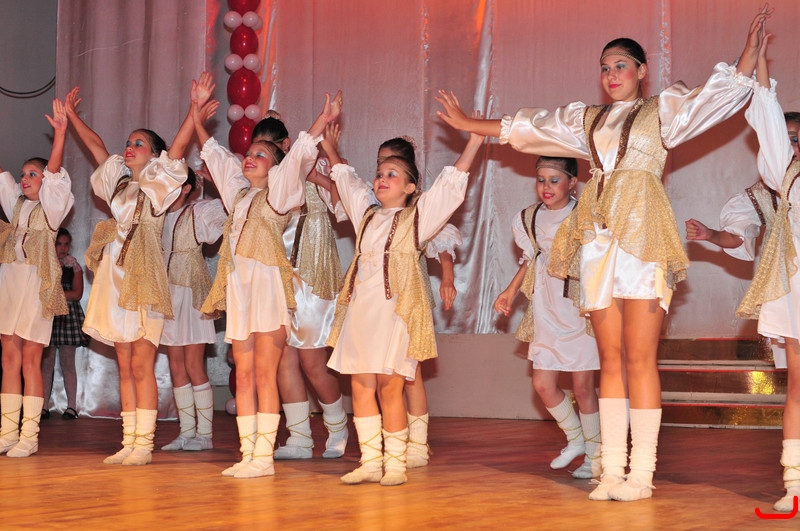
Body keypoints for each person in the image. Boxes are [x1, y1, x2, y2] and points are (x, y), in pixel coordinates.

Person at [436, 9, 769, 501]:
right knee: (609, 358)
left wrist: (746, 56)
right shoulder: (587, 121)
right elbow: (532, 127)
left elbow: (713, 98)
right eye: (605, 68)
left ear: (641, 71)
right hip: (599, 242)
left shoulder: (662, 110)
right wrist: (470, 124)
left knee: (640, 358)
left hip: (644, 240)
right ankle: (611, 469)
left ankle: (642, 474)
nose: (611, 75)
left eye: (621, 66)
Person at [322, 112, 483, 486]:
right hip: (361, 313)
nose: (381, 178)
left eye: (392, 174)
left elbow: (450, 187)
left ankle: (395, 463)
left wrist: (474, 142)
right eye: (380, 173)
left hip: (396, 314)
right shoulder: (365, 216)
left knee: (390, 386)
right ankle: (370, 461)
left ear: (410, 187)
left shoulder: (419, 219)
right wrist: (330, 149)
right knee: (361, 386)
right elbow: (347, 182)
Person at [195, 78, 342, 478]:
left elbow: (297, 159)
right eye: (249, 152)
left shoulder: (278, 197)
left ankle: (264, 456)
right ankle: (249, 453)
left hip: (271, 293)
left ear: (275, 167)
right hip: (241, 295)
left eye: (261, 154)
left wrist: (321, 120)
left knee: (267, 373)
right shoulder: (238, 196)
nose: (250, 157)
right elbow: (216, 158)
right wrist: (197, 118)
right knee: (243, 374)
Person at [65, 77, 202, 465]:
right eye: (128, 142)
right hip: (114, 279)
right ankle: (129, 441)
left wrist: (194, 111)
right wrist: (72, 116)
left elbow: (177, 150)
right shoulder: (119, 185)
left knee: (142, 363)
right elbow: (97, 148)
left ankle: (144, 443)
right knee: (125, 363)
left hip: (144, 277)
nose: (129, 147)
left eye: (139, 143)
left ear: (154, 156)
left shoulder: (158, 185)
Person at [250, 114, 349, 461]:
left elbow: (344, 205)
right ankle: (299, 437)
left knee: (312, 360)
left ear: (287, 145)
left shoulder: (314, 164)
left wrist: (317, 176)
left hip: (313, 274)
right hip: (277, 276)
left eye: (272, 146)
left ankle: (338, 427)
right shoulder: (266, 179)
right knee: (283, 360)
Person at [494, 156, 600, 479]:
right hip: (546, 307)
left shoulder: (586, 214)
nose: (546, 187)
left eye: (555, 180)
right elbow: (532, 258)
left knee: (583, 388)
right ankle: (576, 438)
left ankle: (595, 455)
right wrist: (510, 291)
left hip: (578, 307)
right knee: (542, 383)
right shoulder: (529, 218)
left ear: (572, 183)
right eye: (541, 180)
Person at [735, 29, 800, 513]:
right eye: (792, 139)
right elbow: (769, 119)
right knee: (798, 385)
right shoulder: (785, 177)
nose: (795, 145)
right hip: (796, 287)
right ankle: (794, 483)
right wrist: (758, 60)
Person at [375, 136, 462, 469]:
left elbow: (442, 243)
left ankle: (417, 444)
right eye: (379, 164)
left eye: (391, 164)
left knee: (411, 372)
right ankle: (391, 438)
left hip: (411, 291)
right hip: (378, 296)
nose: (383, 172)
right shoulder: (377, 206)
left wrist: (448, 279)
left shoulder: (422, 206)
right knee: (383, 370)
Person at [0, 98, 74, 457]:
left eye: (33, 174)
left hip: (37, 284)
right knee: (8, 358)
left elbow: (55, 173)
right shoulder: (15, 204)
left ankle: (29, 436)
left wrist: (60, 134)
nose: (25, 178)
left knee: (31, 359)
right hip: (10, 283)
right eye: (23, 174)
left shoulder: (53, 207)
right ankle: (7, 431)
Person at [159, 167, 226, 452]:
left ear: (187, 188)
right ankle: (186, 431)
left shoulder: (198, 212)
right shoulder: (158, 216)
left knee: (193, 364)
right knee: (176, 366)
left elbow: (230, 209)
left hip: (191, 291)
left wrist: (214, 180)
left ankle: (205, 434)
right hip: (168, 293)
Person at [41, 228, 90, 420]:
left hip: (68, 316)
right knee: (46, 363)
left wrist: (54, 296)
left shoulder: (73, 266)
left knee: (68, 362)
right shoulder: (44, 264)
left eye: (66, 244)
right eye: (58, 244)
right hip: (48, 316)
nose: (62, 248)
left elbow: (77, 294)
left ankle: (71, 407)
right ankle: (43, 406)